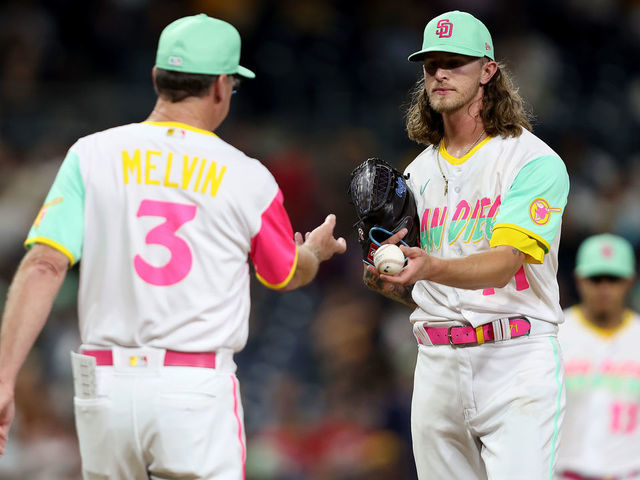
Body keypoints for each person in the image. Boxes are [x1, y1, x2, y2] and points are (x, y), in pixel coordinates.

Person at [0, 14, 346, 480]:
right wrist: (314, 255)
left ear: (157, 78)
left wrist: (4, 377)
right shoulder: (245, 175)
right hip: (193, 388)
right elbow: (283, 274)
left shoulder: (91, 154)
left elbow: (43, 264)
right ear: (223, 86)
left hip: (103, 386)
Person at [363, 10, 570, 480]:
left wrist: (428, 266)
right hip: (436, 362)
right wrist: (385, 278)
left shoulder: (530, 161)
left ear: (488, 71)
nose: (440, 73)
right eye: (431, 62)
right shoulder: (415, 174)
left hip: (515, 358)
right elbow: (417, 283)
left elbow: (504, 264)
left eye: (455, 62)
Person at [556, 234, 640, 480]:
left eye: (613, 279)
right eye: (595, 278)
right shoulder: (554, 333)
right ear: (579, 280)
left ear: (629, 281)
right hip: (563, 472)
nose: (604, 288)